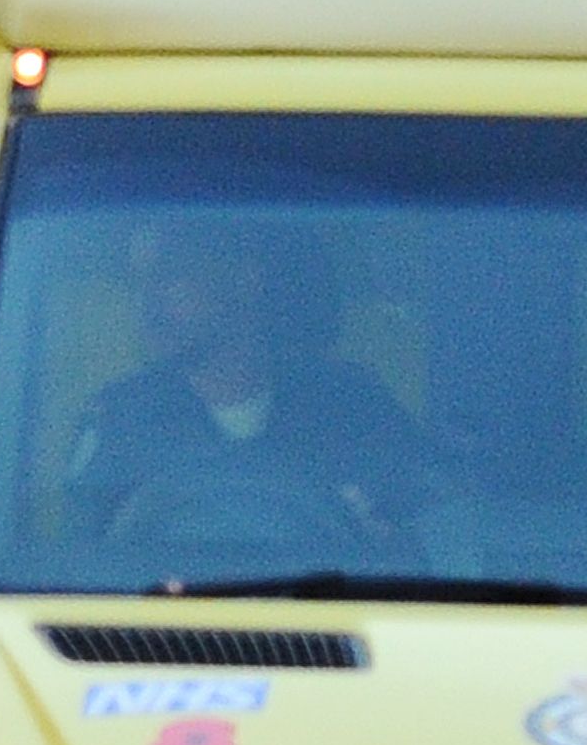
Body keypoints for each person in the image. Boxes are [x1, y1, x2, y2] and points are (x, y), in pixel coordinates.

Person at [64, 229, 441, 557]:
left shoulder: (354, 407)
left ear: (245, 280)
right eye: (140, 283)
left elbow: (426, 543)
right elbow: (83, 559)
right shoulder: (120, 417)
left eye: (170, 279)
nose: (148, 304)